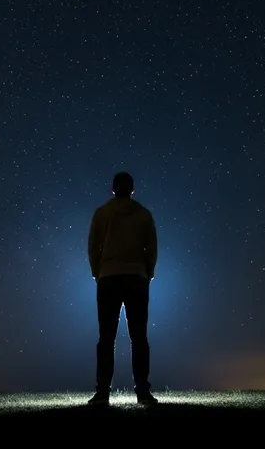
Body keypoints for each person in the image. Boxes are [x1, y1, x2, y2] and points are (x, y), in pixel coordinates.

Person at [87, 171, 158, 405]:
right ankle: (143, 391)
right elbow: (152, 248)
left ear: (113, 189)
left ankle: (103, 391)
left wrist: (98, 272)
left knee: (106, 337)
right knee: (139, 337)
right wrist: (147, 273)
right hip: (136, 276)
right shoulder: (144, 215)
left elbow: (93, 246)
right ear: (133, 189)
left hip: (108, 277)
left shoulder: (101, 213)